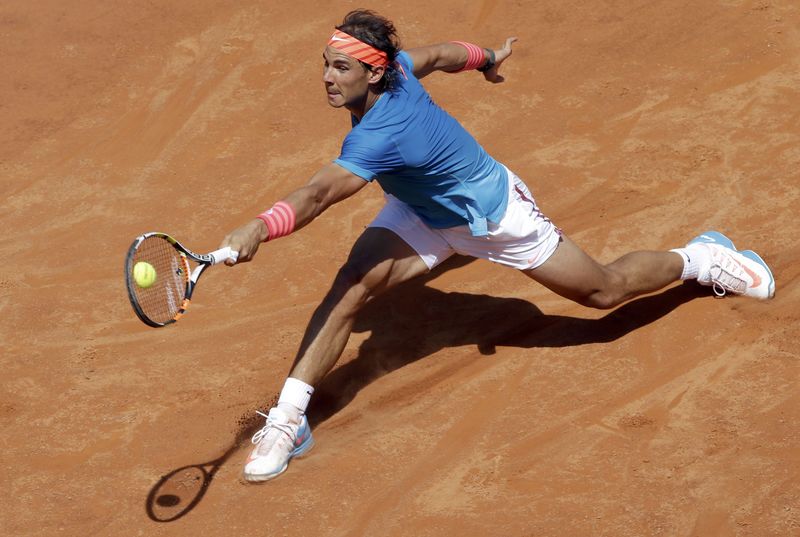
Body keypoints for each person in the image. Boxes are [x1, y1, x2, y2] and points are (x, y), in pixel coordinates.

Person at [220, 10, 775, 482]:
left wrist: (259, 228)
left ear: (373, 72)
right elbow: (437, 55)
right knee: (350, 288)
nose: (326, 76)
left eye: (340, 67)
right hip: (421, 212)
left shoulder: (378, 133)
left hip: (494, 216)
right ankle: (289, 419)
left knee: (603, 294)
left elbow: (319, 194)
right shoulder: (399, 71)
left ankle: (704, 257)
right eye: (325, 62)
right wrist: (486, 57)